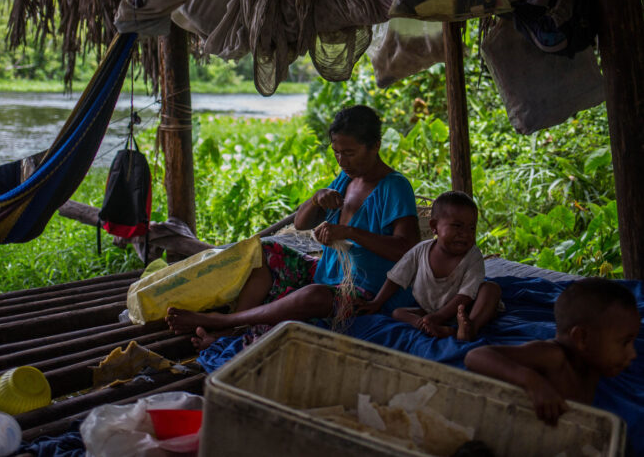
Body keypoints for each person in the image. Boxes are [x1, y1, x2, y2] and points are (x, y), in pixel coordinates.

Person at [166, 105, 421, 348]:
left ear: (375, 146)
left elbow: (407, 249)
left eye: (350, 153)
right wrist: (316, 199)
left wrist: (350, 232)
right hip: (326, 275)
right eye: (337, 153)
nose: (342, 161)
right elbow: (300, 224)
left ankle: (224, 322)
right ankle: (235, 326)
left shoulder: (394, 187)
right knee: (267, 251)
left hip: (367, 291)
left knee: (315, 296)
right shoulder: (346, 178)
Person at [464, 278, 640, 425]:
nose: (633, 354)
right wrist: (532, 382)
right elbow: (476, 356)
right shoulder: (554, 357)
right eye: (624, 343)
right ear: (582, 338)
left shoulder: (592, 365)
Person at [357, 191, 502, 341]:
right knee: (398, 313)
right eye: (457, 226)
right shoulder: (420, 251)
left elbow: (466, 296)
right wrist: (377, 302)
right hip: (429, 311)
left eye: (472, 228)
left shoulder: (473, 256)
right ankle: (430, 327)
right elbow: (396, 277)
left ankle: (471, 328)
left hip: (468, 308)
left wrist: (439, 317)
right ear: (434, 226)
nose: (465, 234)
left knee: (491, 289)